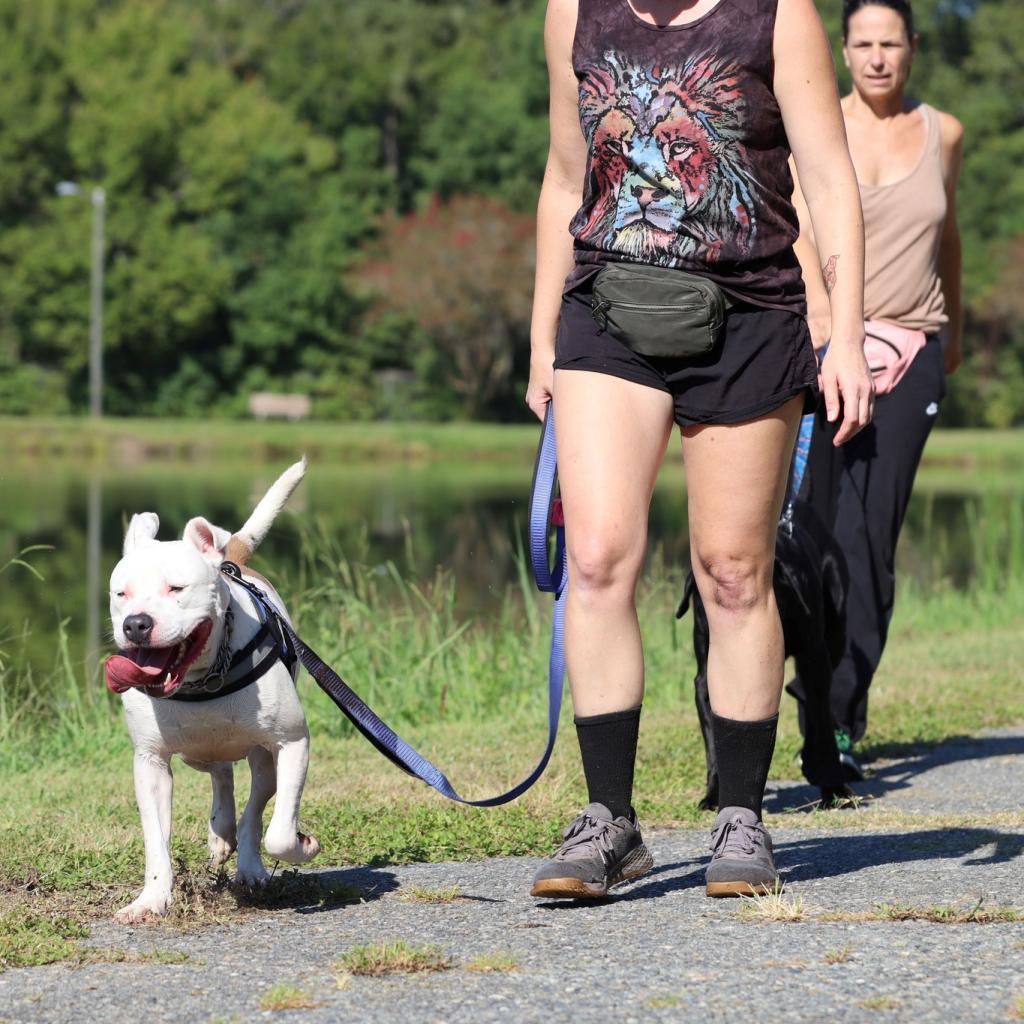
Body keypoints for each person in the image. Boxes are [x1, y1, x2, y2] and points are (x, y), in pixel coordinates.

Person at [525, 0, 873, 899]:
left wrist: (846, 334)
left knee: (731, 571)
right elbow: (567, 178)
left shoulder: (777, 13)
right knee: (597, 558)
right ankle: (611, 822)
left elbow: (830, 180)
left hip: (751, 319)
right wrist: (539, 337)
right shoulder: (575, 12)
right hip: (607, 311)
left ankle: (743, 818)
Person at [790, 0, 963, 778]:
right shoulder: (818, 121)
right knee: (817, 535)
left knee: (872, 544)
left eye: (891, 43)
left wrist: (947, 339)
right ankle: (797, 702)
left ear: (913, 49)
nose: (877, 58)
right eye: (862, 43)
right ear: (845, 50)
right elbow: (798, 231)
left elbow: (948, 234)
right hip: (833, 349)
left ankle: (841, 717)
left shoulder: (944, 133)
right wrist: (832, 330)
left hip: (915, 350)